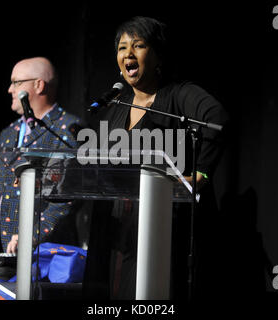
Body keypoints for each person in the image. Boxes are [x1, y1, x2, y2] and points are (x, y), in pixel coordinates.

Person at [86, 17, 229, 299]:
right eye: (122, 47)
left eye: (138, 45)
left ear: (158, 54)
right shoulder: (117, 105)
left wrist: (201, 173)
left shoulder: (178, 95)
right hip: (121, 231)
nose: (128, 53)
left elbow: (217, 120)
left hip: (165, 226)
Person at [0, 57, 82, 254]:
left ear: (38, 85)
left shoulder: (67, 129)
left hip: (42, 253)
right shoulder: (8, 133)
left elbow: (68, 197)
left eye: (16, 82)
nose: (10, 89)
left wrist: (32, 234)